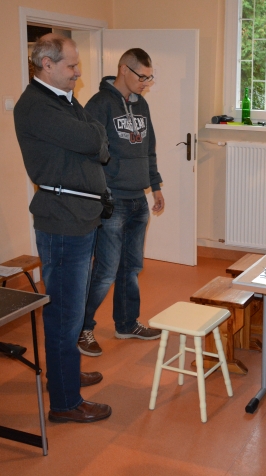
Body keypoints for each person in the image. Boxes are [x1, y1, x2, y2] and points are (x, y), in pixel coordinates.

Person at [13, 33, 112, 423]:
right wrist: (95, 138)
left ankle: (64, 374)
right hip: (63, 222)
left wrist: (95, 138)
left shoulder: (64, 100)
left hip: (80, 218)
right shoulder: (36, 106)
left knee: (72, 309)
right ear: (47, 64)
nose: (78, 72)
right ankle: (65, 402)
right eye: (71, 65)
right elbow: (91, 138)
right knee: (65, 315)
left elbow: (99, 143)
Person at [77, 48, 165, 357]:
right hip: (112, 199)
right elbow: (89, 152)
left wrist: (155, 185)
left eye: (149, 77)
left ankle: (126, 324)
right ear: (124, 70)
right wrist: (102, 188)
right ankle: (82, 328)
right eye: (142, 76)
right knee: (105, 270)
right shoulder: (100, 104)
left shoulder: (141, 104)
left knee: (131, 268)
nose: (146, 83)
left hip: (138, 199)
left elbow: (149, 148)